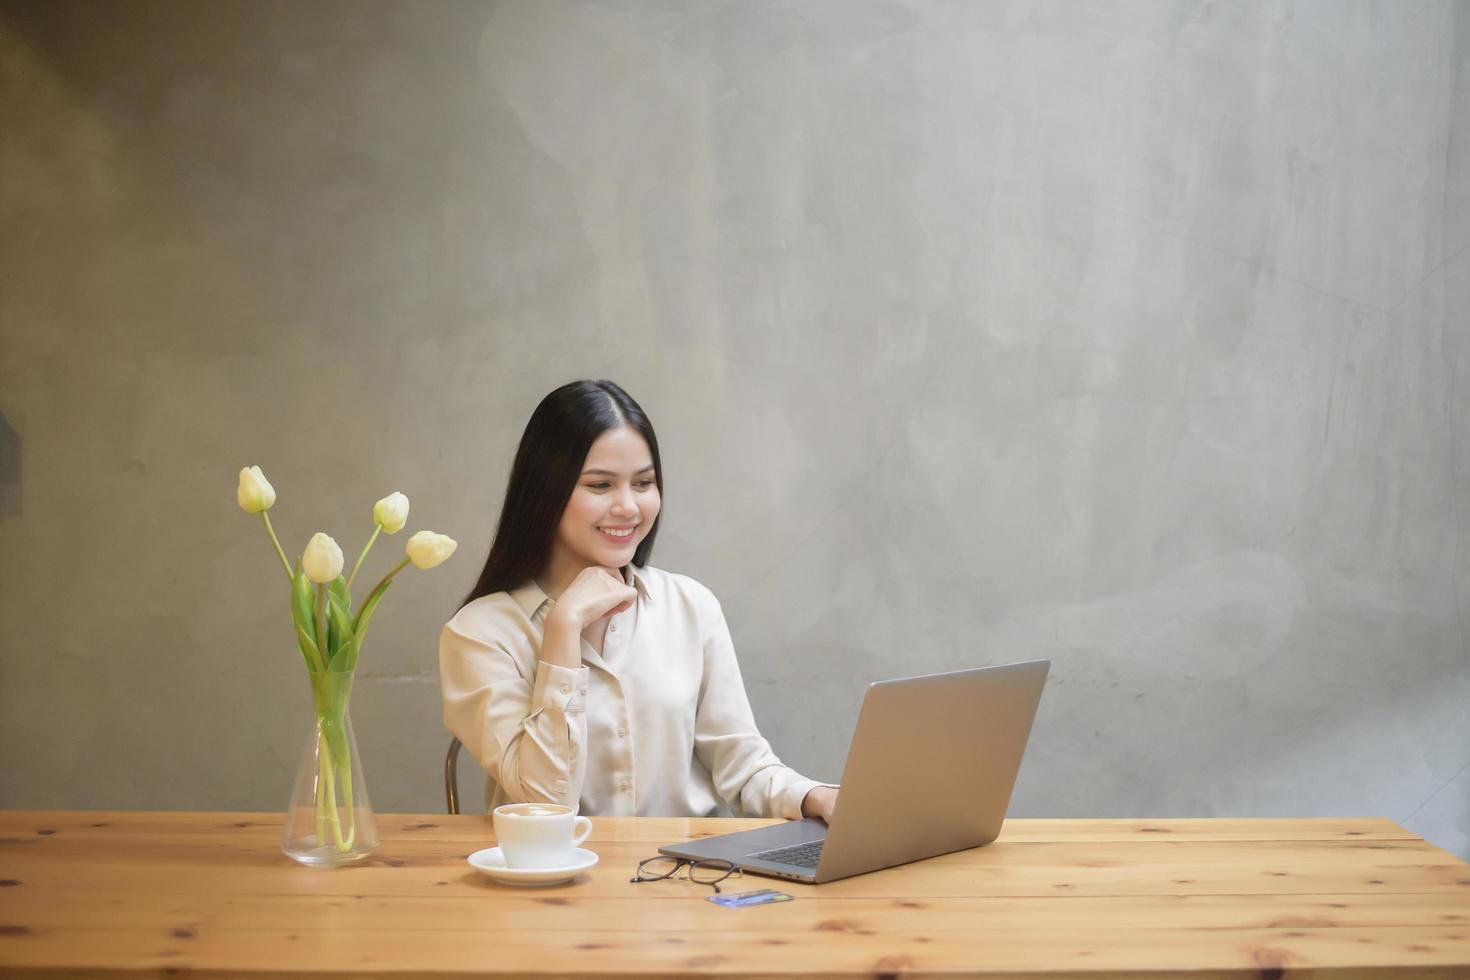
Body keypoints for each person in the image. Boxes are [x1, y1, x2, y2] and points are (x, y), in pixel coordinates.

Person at [439, 379, 839, 822]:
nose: (628, 507)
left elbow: (742, 766)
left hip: (686, 880)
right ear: (545, 491)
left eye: (644, 483)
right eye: (600, 485)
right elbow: (545, 804)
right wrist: (563, 628)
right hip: (549, 882)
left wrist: (818, 797)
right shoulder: (478, 634)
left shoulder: (691, 606)